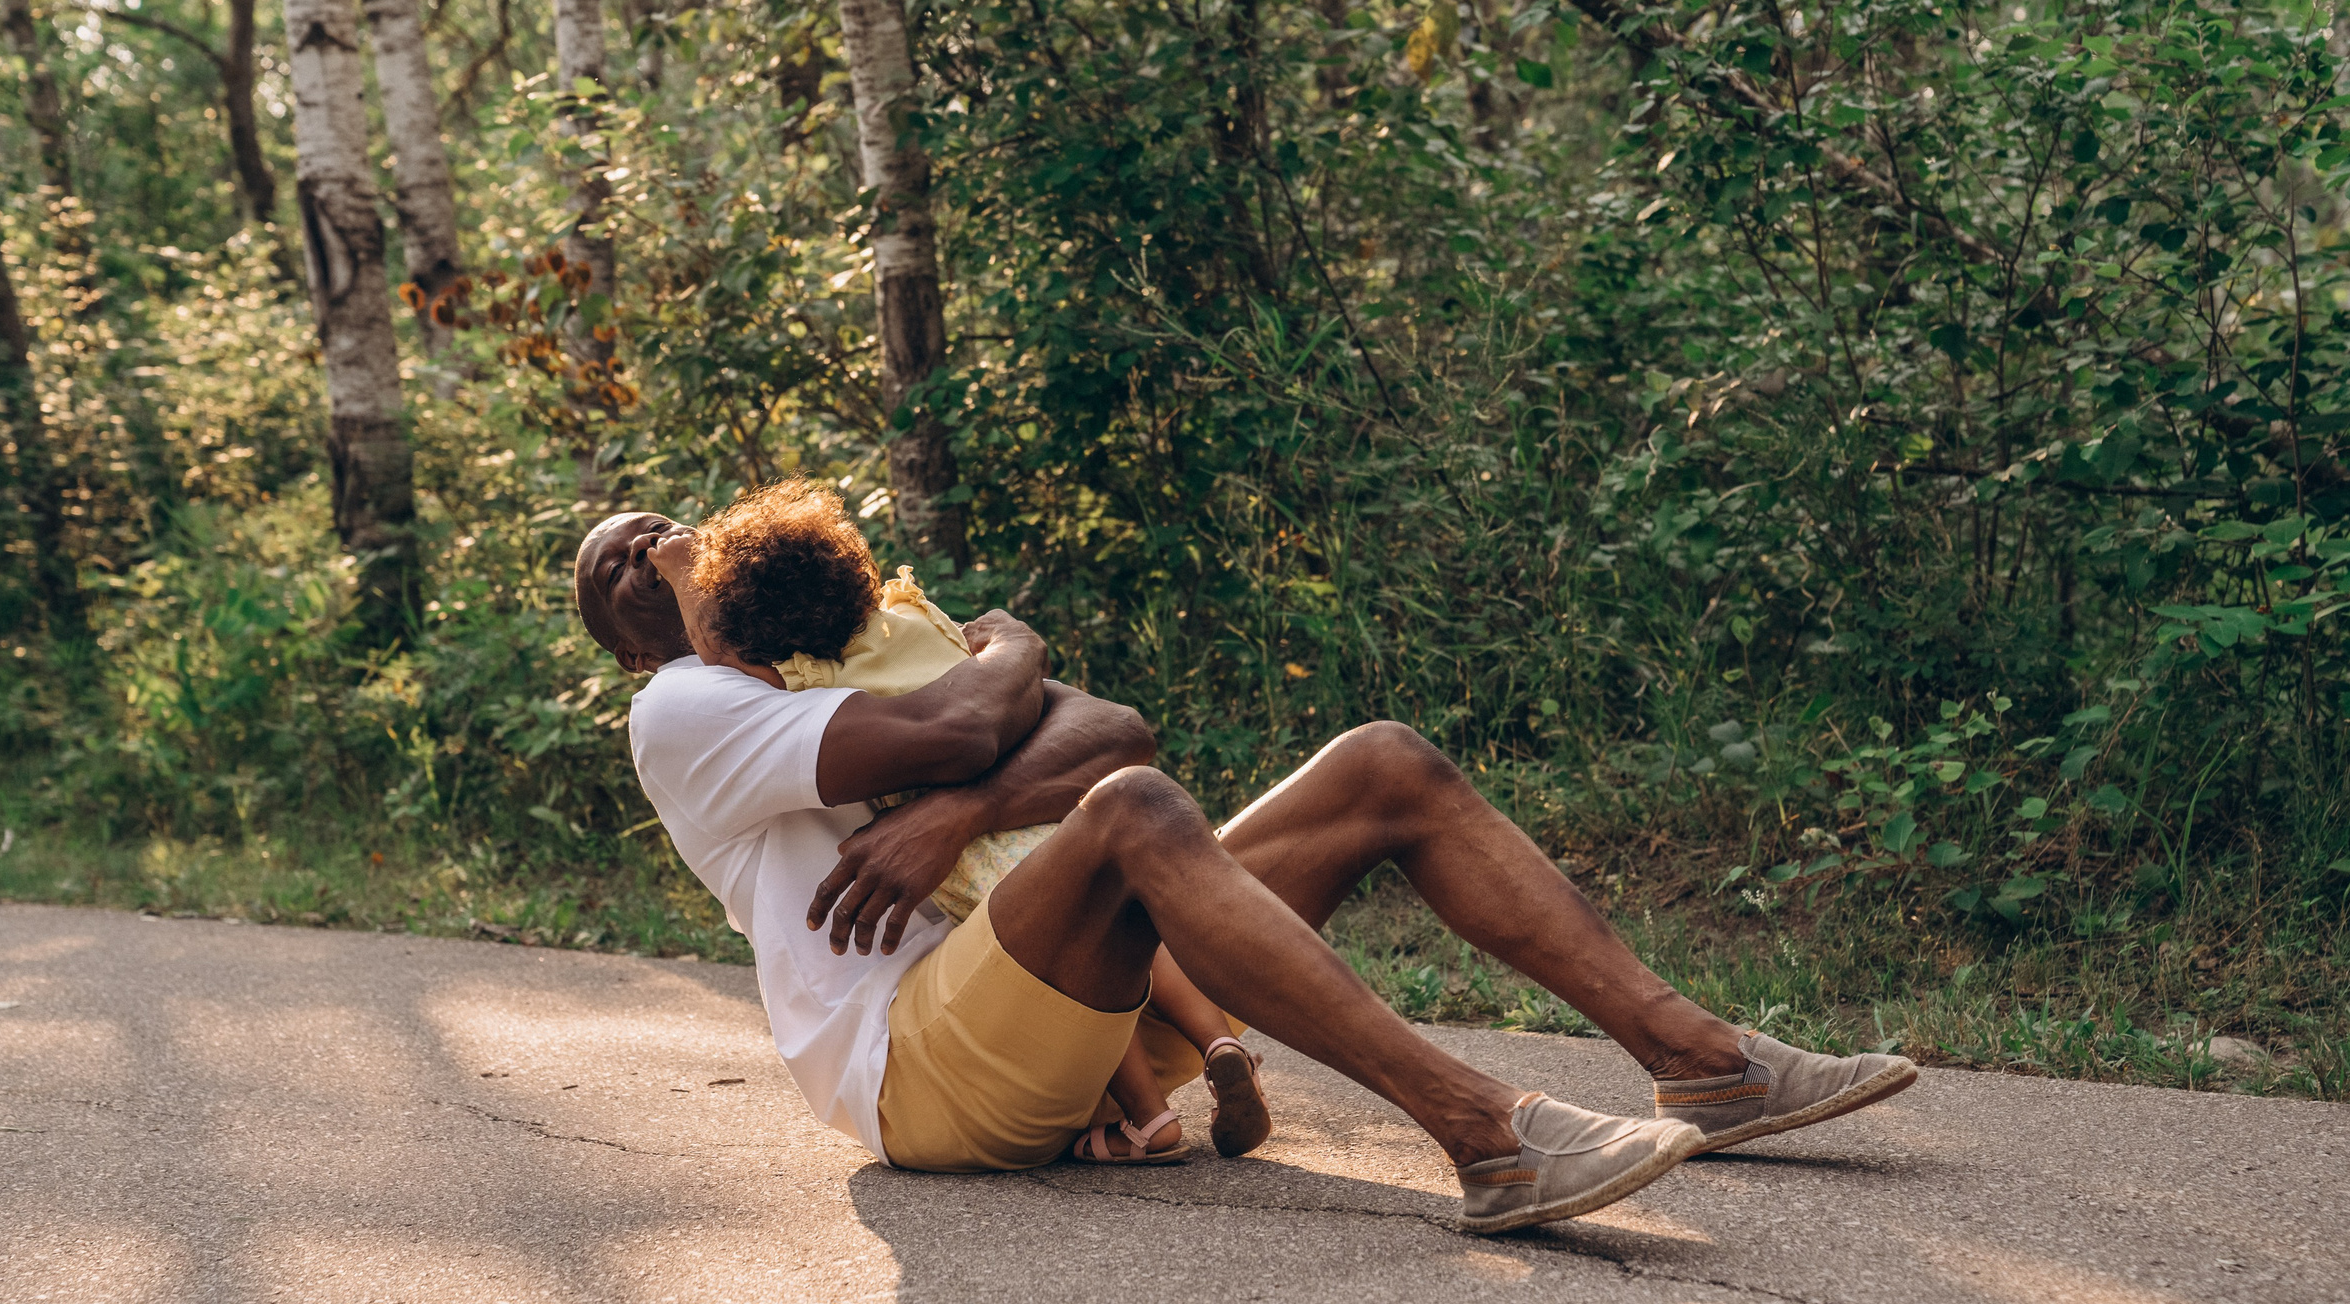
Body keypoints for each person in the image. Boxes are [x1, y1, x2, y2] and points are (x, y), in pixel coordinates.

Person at [575, 505, 1915, 1235]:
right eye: (613, 563)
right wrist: (1012, 659)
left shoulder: (847, 640)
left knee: (1381, 762)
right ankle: (1489, 1135)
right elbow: (1004, 721)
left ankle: (1702, 1059)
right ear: (636, 642)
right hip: (922, 1072)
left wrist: (959, 801)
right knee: (1136, 814)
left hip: (1083, 1011)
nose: (638, 546)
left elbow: (1114, 732)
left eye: (654, 523)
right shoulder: (684, 706)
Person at [681, 477, 1253, 1166]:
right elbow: (999, 668)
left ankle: (1149, 1117)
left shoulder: (804, 674)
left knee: (1086, 956)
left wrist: (683, 574)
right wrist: (1007, 639)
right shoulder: (911, 613)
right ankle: (1220, 1040)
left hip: (960, 848)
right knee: (1132, 924)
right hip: (1040, 800)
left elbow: (718, 654)